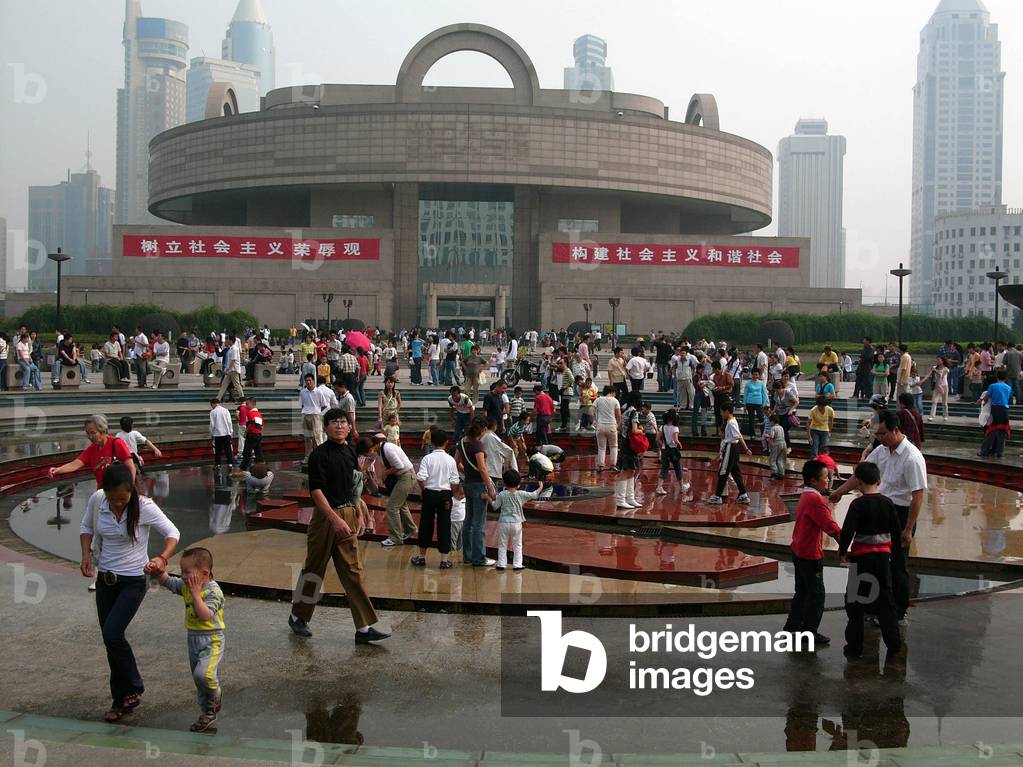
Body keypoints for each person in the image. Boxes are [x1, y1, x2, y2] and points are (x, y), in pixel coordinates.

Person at [79, 463, 179, 722]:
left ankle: (133, 686)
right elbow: (86, 528)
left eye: (122, 500)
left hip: (134, 580)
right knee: (111, 640)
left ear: (131, 492)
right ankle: (120, 700)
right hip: (106, 580)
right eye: (113, 500)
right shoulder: (98, 499)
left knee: (113, 633)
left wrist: (161, 558)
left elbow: (172, 533)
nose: (117, 505)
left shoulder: (144, 506)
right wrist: (85, 556)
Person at [288, 410, 389, 643]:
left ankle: (363, 628)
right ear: (325, 428)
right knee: (315, 569)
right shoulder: (319, 456)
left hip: (348, 514)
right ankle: (298, 617)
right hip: (326, 518)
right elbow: (316, 492)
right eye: (334, 422)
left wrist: (358, 512)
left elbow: (354, 484)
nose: (340, 426)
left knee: (353, 570)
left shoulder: (349, 451)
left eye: (343, 422)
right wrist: (335, 519)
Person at [830, 410, 927, 625]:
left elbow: (918, 495)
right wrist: (840, 492)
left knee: (897, 564)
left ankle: (898, 612)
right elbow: (860, 475)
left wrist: (908, 528)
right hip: (878, 509)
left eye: (883, 434)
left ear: (895, 430)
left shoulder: (912, 457)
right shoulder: (881, 451)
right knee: (871, 561)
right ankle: (869, 608)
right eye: (878, 434)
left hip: (900, 514)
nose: (880, 438)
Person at [151, 547, 226, 732]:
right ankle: (207, 713)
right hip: (193, 638)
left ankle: (216, 692)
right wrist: (158, 572)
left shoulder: (213, 592)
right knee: (198, 680)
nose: (183, 576)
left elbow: (205, 615)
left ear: (205, 573)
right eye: (182, 572)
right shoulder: (186, 585)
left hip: (212, 640)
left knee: (204, 674)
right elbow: (169, 582)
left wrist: (195, 593)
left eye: (187, 572)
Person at [838, 461, 903, 658]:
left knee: (856, 603)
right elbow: (896, 533)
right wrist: (895, 554)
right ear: (879, 480)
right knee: (886, 601)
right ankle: (894, 644)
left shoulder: (857, 504)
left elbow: (848, 530)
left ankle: (855, 646)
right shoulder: (888, 503)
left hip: (861, 559)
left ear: (858, 482)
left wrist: (842, 551)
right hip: (883, 559)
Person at [782, 459, 840, 646]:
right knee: (816, 595)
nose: (828, 481)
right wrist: (847, 547)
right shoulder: (815, 500)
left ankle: (793, 626)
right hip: (809, 554)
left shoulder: (806, 495)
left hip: (798, 549)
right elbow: (832, 528)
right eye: (825, 478)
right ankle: (809, 632)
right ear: (814, 481)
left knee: (802, 591)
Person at [412, 428, 460, 569]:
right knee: (445, 525)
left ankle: (421, 557)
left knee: (426, 524)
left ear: (431, 442)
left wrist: (424, 490)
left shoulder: (427, 458)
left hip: (430, 494)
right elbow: (455, 481)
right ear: (446, 442)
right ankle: (444, 560)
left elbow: (420, 478)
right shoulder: (450, 460)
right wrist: (451, 492)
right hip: (445, 495)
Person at [454, 420, 498, 567]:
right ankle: (479, 558)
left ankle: (468, 555)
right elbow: (482, 468)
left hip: (467, 484)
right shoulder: (477, 444)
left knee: (468, 521)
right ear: (482, 430)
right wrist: (490, 488)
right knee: (479, 523)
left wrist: (466, 472)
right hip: (479, 485)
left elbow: (457, 462)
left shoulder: (462, 442)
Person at [49, 414, 137, 487]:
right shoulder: (92, 449)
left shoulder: (116, 443)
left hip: (119, 491)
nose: (90, 437)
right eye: (88, 433)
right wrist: (57, 470)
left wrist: (130, 489)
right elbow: (75, 464)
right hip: (103, 493)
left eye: (93, 433)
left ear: (103, 431)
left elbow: (131, 467)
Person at [486, 469, 542, 570]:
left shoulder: (502, 494)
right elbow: (534, 494)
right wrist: (540, 487)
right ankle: (517, 564)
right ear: (518, 483)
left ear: (504, 482)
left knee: (502, 544)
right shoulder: (521, 494)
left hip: (504, 522)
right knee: (517, 544)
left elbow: (495, 506)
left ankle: (501, 564)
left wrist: (488, 499)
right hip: (517, 523)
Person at [374, 433, 418, 547]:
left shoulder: (387, 448)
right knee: (401, 504)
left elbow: (399, 466)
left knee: (392, 507)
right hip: (401, 477)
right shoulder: (378, 450)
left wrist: (385, 473)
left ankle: (396, 537)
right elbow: (370, 460)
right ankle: (411, 530)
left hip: (406, 476)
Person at [706, 401, 752, 505]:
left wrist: (746, 449)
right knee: (736, 473)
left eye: (722, 412)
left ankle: (717, 496)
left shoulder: (731, 423)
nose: (721, 414)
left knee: (723, 472)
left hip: (731, 448)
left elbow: (738, 436)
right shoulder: (733, 421)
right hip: (734, 449)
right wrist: (746, 449)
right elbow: (738, 435)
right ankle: (743, 495)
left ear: (727, 411)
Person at [978, 369, 1012, 458]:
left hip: (995, 410)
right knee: (1002, 432)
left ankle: (984, 451)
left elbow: (987, 397)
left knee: (991, 431)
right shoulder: (1008, 387)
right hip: (1004, 411)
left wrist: (981, 401)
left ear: (997, 376)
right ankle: (1000, 452)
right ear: (1006, 377)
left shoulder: (993, 386)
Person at [655, 409, 687, 495]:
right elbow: (675, 440)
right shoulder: (675, 428)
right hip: (673, 451)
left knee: (664, 468)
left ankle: (659, 487)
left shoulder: (662, 427)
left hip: (665, 450)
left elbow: (657, 439)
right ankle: (681, 487)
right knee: (678, 468)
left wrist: (663, 445)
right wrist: (679, 444)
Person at [593, 385, 621, 471]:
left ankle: (601, 466)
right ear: (612, 392)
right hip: (612, 426)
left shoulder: (598, 400)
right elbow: (619, 415)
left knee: (601, 448)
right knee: (613, 447)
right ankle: (613, 465)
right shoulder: (615, 401)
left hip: (600, 426)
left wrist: (594, 421)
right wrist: (618, 425)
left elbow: (591, 410)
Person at [216, 334, 244, 403]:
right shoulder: (230, 349)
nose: (226, 341)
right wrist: (227, 369)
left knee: (236, 385)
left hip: (234, 370)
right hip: (230, 370)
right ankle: (218, 398)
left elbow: (233, 360)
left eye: (227, 339)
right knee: (224, 384)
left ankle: (242, 398)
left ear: (230, 341)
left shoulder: (234, 349)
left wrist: (229, 369)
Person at [742, 367, 769, 439]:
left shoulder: (761, 383)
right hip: (749, 402)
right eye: (754, 374)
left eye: (757, 374)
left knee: (761, 419)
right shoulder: (748, 383)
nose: (755, 376)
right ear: (751, 375)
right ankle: (752, 434)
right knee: (751, 419)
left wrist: (764, 403)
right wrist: (744, 404)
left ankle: (763, 433)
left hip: (759, 403)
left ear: (759, 375)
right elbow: (745, 394)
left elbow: (764, 393)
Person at [208, 399, 234, 470]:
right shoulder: (226, 410)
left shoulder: (213, 412)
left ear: (213, 404)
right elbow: (229, 422)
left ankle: (218, 464)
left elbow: (212, 424)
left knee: (218, 450)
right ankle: (230, 464)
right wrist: (231, 432)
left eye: (211, 405)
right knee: (228, 449)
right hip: (226, 433)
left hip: (217, 434)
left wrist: (211, 433)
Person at [238, 397, 264, 471]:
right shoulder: (258, 413)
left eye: (247, 404)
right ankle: (261, 467)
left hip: (251, 434)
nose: (246, 406)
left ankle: (243, 468)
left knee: (247, 452)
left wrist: (246, 432)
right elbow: (261, 425)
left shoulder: (250, 413)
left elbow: (250, 424)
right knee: (258, 451)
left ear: (253, 404)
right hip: (258, 434)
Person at [807, 395, 835, 459]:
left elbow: (831, 421)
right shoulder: (813, 410)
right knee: (815, 447)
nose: (820, 407)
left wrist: (830, 431)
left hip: (825, 430)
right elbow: (808, 423)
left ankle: (823, 462)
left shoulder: (830, 410)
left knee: (824, 448)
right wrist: (809, 437)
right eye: (819, 406)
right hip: (814, 429)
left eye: (822, 406)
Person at [928, 356, 950, 422]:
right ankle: (931, 416)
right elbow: (932, 376)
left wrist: (935, 371)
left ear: (942, 361)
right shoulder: (935, 367)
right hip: (937, 386)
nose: (937, 361)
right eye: (937, 360)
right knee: (934, 401)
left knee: (944, 402)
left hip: (944, 386)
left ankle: (945, 415)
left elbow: (941, 376)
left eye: (939, 360)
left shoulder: (946, 369)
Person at [767, 413, 787, 480]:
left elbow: (771, 438)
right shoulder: (781, 427)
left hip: (777, 444)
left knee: (772, 459)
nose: (770, 423)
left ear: (772, 421)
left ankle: (774, 474)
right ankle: (781, 474)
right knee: (780, 459)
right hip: (784, 444)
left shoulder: (773, 428)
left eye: (770, 421)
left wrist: (772, 447)